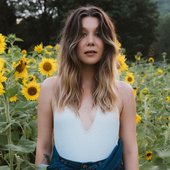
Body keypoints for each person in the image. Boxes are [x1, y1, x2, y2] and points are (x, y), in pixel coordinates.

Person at [35, 5, 139, 170]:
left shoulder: (124, 92)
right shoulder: (51, 88)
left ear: (106, 42)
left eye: (98, 34)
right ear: (71, 41)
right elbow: (44, 146)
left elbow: (130, 150)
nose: (91, 41)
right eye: (82, 34)